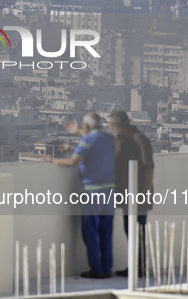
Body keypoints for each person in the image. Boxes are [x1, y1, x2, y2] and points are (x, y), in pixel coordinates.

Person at [44, 113, 115, 279]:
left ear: (87, 127)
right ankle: (106, 269)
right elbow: (94, 150)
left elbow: (72, 162)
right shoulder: (109, 139)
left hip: (92, 192)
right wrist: (76, 137)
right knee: (106, 232)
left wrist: (52, 160)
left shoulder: (87, 141)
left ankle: (97, 270)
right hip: (110, 191)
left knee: (90, 231)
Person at [109, 109, 155, 277]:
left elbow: (149, 167)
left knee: (138, 232)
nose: (110, 128)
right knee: (130, 231)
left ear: (120, 125)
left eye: (112, 125)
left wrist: (143, 193)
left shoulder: (139, 140)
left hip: (138, 196)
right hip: (126, 196)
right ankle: (134, 266)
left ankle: (139, 268)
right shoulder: (121, 140)